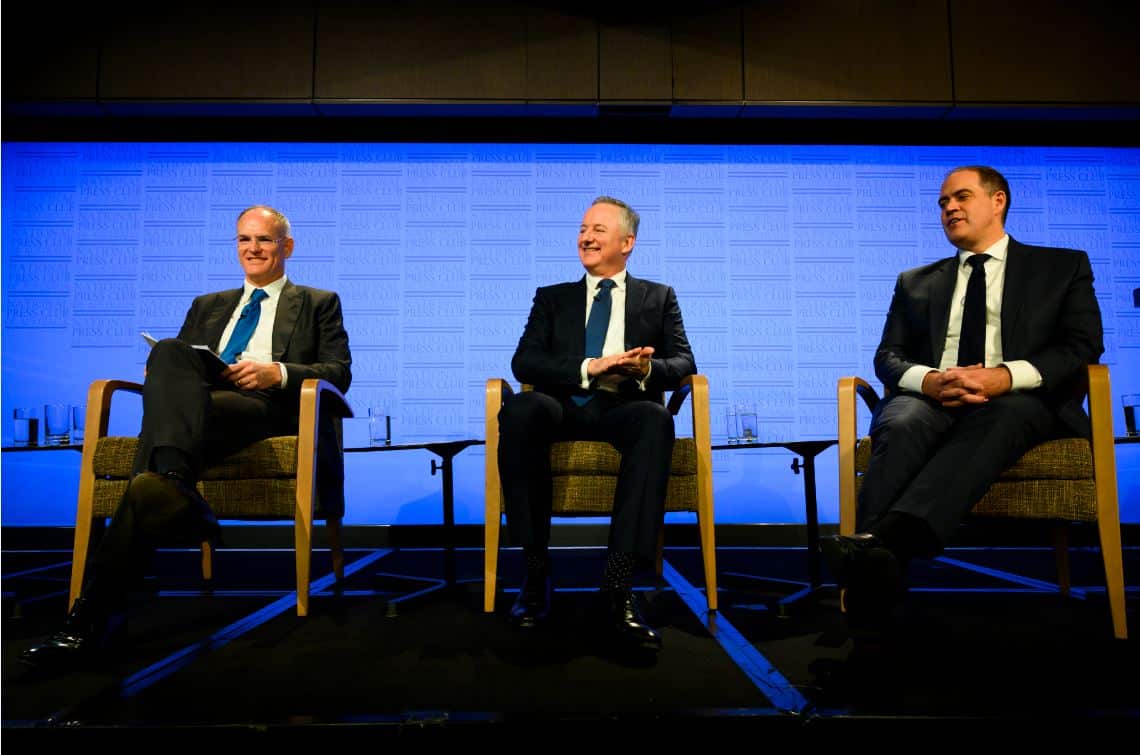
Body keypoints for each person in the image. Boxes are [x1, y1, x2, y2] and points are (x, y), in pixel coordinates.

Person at [22, 205, 352, 668]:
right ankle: (168, 491)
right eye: (243, 240)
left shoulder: (318, 302)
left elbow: (339, 371)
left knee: (167, 410)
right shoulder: (207, 305)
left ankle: (87, 617)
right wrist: (163, 371)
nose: (252, 249)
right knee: (170, 356)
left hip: (264, 408)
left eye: (264, 240)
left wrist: (274, 371)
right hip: (199, 410)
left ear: (286, 247)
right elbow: (181, 365)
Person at [821, 165, 1104, 630]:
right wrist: (930, 380)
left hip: (1020, 400)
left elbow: (1081, 346)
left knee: (1006, 411)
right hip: (934, 398)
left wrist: (1003, 377)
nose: (949, 207)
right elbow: (887, 357)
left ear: (998, 201)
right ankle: (881, 569)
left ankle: (877, 550)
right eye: (943, 203)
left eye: (962, 197)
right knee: (903, 419)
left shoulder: (1061, 266)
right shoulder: (916, 281)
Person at [498, 196, 697, 652]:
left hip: (622, 407)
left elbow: (684, 361)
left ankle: (618, 583)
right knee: (520, 409)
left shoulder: (658, 296)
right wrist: (592, 366)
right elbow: (524, 361)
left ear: (627, 243)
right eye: (583, 228)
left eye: (598, 230)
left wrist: (644, 370)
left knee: (655, 419)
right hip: (563, 404)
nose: (586, 237)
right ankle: (534, 572)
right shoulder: (553, 298)